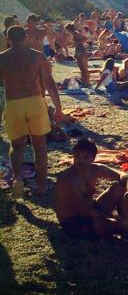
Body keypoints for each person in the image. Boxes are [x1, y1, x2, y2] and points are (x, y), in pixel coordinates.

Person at [0, 26, 63, 197]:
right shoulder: (37, 56)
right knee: (39, 146)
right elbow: (49, 82)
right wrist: (58, 107)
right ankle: (41, 185)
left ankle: (18, 179)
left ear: (8, 39)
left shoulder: (2, 58)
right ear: (26, 37)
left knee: (16, 146)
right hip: (35, 101)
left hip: (13, 103)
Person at [54, 137, 128, 241]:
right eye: (77, 156)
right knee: (123, 226)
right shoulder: (68, 180)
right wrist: (114, 220)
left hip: (91, 211)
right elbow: (84, 211)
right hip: (74, 223)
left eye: (85, 157)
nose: (81, 161)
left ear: (93, 158)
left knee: (121, 187)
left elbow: (123, 175)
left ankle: (125, 224)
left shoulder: (94, 169)